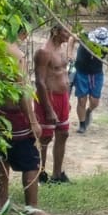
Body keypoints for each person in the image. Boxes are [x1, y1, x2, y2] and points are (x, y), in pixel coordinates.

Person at [0, 41, 41, 212]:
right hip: (15, 113)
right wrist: (33, 120)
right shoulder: (17, 55)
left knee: (1, 156)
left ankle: (1, 202)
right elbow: (23, 90)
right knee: (31, 160)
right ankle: (32, 208)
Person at [33, 24, 74, 184]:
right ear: (55, 32)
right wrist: (48, 109)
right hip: (48, 97)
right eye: (65, 31)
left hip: (62, 97)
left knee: (63, 133)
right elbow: (40, 82)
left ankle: (57, 174)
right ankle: (41, 172)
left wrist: (68, 99)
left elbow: (64, 75)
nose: (68, 34)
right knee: (45, 138)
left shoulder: (62, 50)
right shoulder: (44, 52)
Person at [74, 26, 108, 132]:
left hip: (96, 73)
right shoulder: (85, 36)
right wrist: (69, 55)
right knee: (82, 99)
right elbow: (72, 38)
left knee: (95, 101)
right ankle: (82, 124)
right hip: (81, 72)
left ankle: (89, 111)